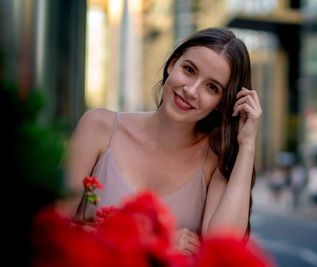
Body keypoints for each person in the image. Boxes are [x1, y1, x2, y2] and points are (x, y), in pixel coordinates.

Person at [64, 27, 262, 256]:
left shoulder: (213, 162)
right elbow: (53, 230)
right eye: (189, 70)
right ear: (172, 64)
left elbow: (223, 247)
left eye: (212, 87)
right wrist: (156, 241)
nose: (191, 90)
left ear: (220, 102)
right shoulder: (98, 127)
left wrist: (247, 146)